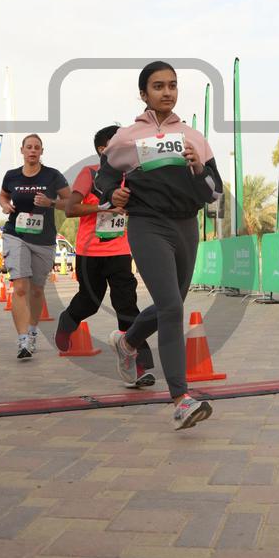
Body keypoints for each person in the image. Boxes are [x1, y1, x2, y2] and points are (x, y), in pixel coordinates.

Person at [95, 61, 223, 430]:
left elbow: (214, 191)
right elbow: (104, 177)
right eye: (158, 86)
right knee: (171, 307)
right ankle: (181, 400)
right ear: (143, 93)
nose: (167, 92)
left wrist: (199, 168)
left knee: (173, 302)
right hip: (147, 224)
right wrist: (113, 193)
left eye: (172, 85)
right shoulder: (127, 137)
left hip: (186, 225)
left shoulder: (194, 137)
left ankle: (127, 343)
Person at [55, 125, 155, 387]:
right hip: (89, 252)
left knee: (127, 305)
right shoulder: (89, 173)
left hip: (119, 251)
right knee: (90, 302)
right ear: (103, 150)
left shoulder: (131, 176)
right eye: (118, 142)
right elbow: (70, 209)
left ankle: (139, 365)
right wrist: (104, 208)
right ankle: (67, 320)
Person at [0, 134, 70, 359]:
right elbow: (3, 196)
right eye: (28, 147)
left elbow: (70, 202)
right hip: (16, 234)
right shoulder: (11, 175)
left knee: (37, 289)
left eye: (36, 147)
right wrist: (5, 205)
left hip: (43, 238)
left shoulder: (53, 175)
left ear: (41, 151)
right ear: (22, 150)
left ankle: (32, 331)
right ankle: (22, 341)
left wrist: (51, 202)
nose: (32, 150)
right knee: (20, 287)